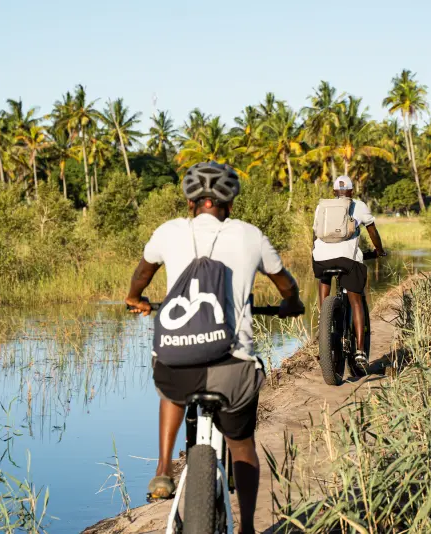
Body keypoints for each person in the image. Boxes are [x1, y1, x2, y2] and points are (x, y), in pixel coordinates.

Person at [125, 161, 304, 534]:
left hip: (176, 367)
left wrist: (135, 297)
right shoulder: (250, 235)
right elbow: (284, 282)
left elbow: (142, 274)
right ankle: (249, 529)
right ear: (230, 204)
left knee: (173, 375)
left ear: (190, 201)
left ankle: (162, 469)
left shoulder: (168, 232)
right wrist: (292, 302)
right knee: (242, 446)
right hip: (233, 369)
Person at [312, 176, 386, 366]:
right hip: (348, 260)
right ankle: (360, 352)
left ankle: (324, 321)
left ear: (334, 192)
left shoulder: (322, 206)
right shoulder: (359, 205)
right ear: (352, 191)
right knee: (356, 301)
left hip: (320, 258)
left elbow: (315, 235)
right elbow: (372, 232)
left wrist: (317, 253)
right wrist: (379, 250)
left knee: (324, 276)